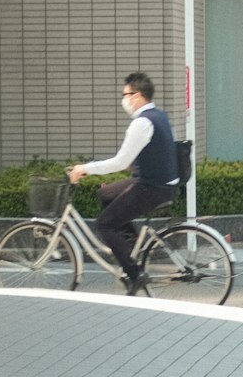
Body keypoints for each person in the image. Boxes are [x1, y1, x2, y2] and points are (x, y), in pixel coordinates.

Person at [69, 72, 179, 294]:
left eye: (125, 95)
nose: (124, 100)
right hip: (163, 183)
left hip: (152, 187)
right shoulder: (159, 115)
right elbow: (154, 151)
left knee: (104, 224)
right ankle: (130, 245)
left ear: (137, 95)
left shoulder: (142, 122)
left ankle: (135, 274)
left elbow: (120, 161)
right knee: (106, 194)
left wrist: (85, 169)